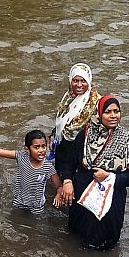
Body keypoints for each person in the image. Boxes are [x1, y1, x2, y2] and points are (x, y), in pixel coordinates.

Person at [55, 95, 129, 250]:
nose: (113, 116)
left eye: (117, 111)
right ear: (99, 113)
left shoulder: (127, 139)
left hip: (111, 198)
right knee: (74, 238)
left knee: (104, 242)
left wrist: (110, 177)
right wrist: (67, 181)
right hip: (82, 196)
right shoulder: (85, 135)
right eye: (108, 112)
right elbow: (68, 162)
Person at [0, 130, 60, 216]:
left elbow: (59, 186)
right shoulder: (21, 156)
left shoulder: (47, 166)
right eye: (36, 147)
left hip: (36, 206)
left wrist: (59, 194)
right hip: (19, 201)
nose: (41, 150)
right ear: (27, 149)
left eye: (43, 146)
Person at [50, 63, 101, 206]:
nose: (79, 85)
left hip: (80, 158)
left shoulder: (96, 105)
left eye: (83, 81)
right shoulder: (68, 97)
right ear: (70, 80)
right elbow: (62, 121)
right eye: (75, 80)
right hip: (62, 150)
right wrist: (53, 136)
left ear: (89, 81)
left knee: (75, 197)